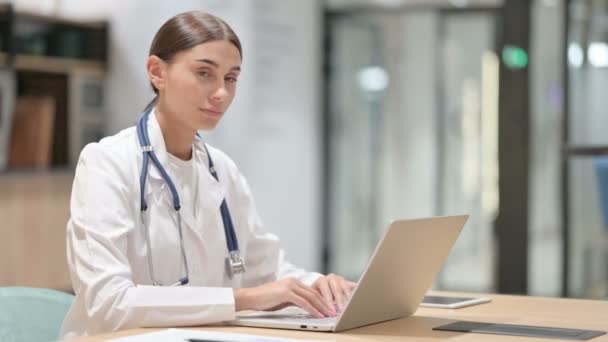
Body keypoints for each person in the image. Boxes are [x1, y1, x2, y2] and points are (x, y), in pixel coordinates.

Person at [60, 11, 356, 339]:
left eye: (230, 78)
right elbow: (109, 302)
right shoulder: (107, 163)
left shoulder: (222, 169)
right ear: (157, 71)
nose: (221, 93)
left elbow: (267, 270)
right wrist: (240, 299)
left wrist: (319, 285)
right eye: (204, 73)